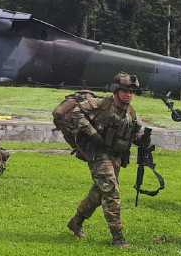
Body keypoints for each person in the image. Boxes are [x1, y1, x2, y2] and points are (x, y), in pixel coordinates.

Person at [66, 72, 142, 248]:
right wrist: (92, 134)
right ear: (116, 91)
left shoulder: (130, 111)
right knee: (111, 192)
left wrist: (141, 138)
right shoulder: (102, 103)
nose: (128, 94)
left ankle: (76, 222)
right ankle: (118, 237)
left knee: (99, 193)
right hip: (98, 153)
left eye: (131, 91)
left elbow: (135, 132)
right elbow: (76, 112)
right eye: (124, 91)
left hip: (115, 156)